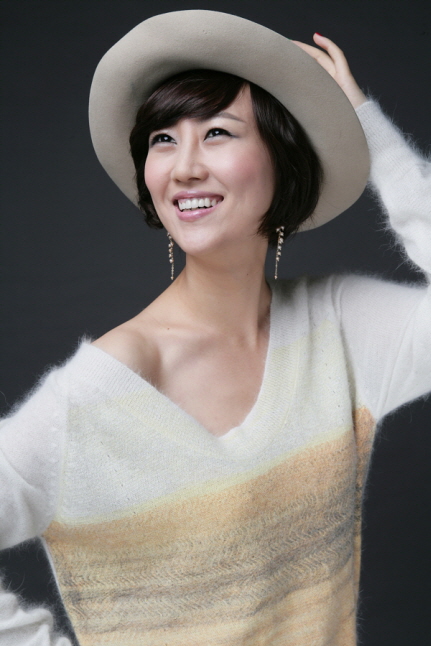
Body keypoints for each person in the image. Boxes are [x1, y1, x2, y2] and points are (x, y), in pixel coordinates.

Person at [1, 9, 430, 646]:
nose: (184, 167)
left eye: (218, 133)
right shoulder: (100, 394)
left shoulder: (339, 331)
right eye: (163, 139)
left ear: (284, 158)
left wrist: (367, 128)